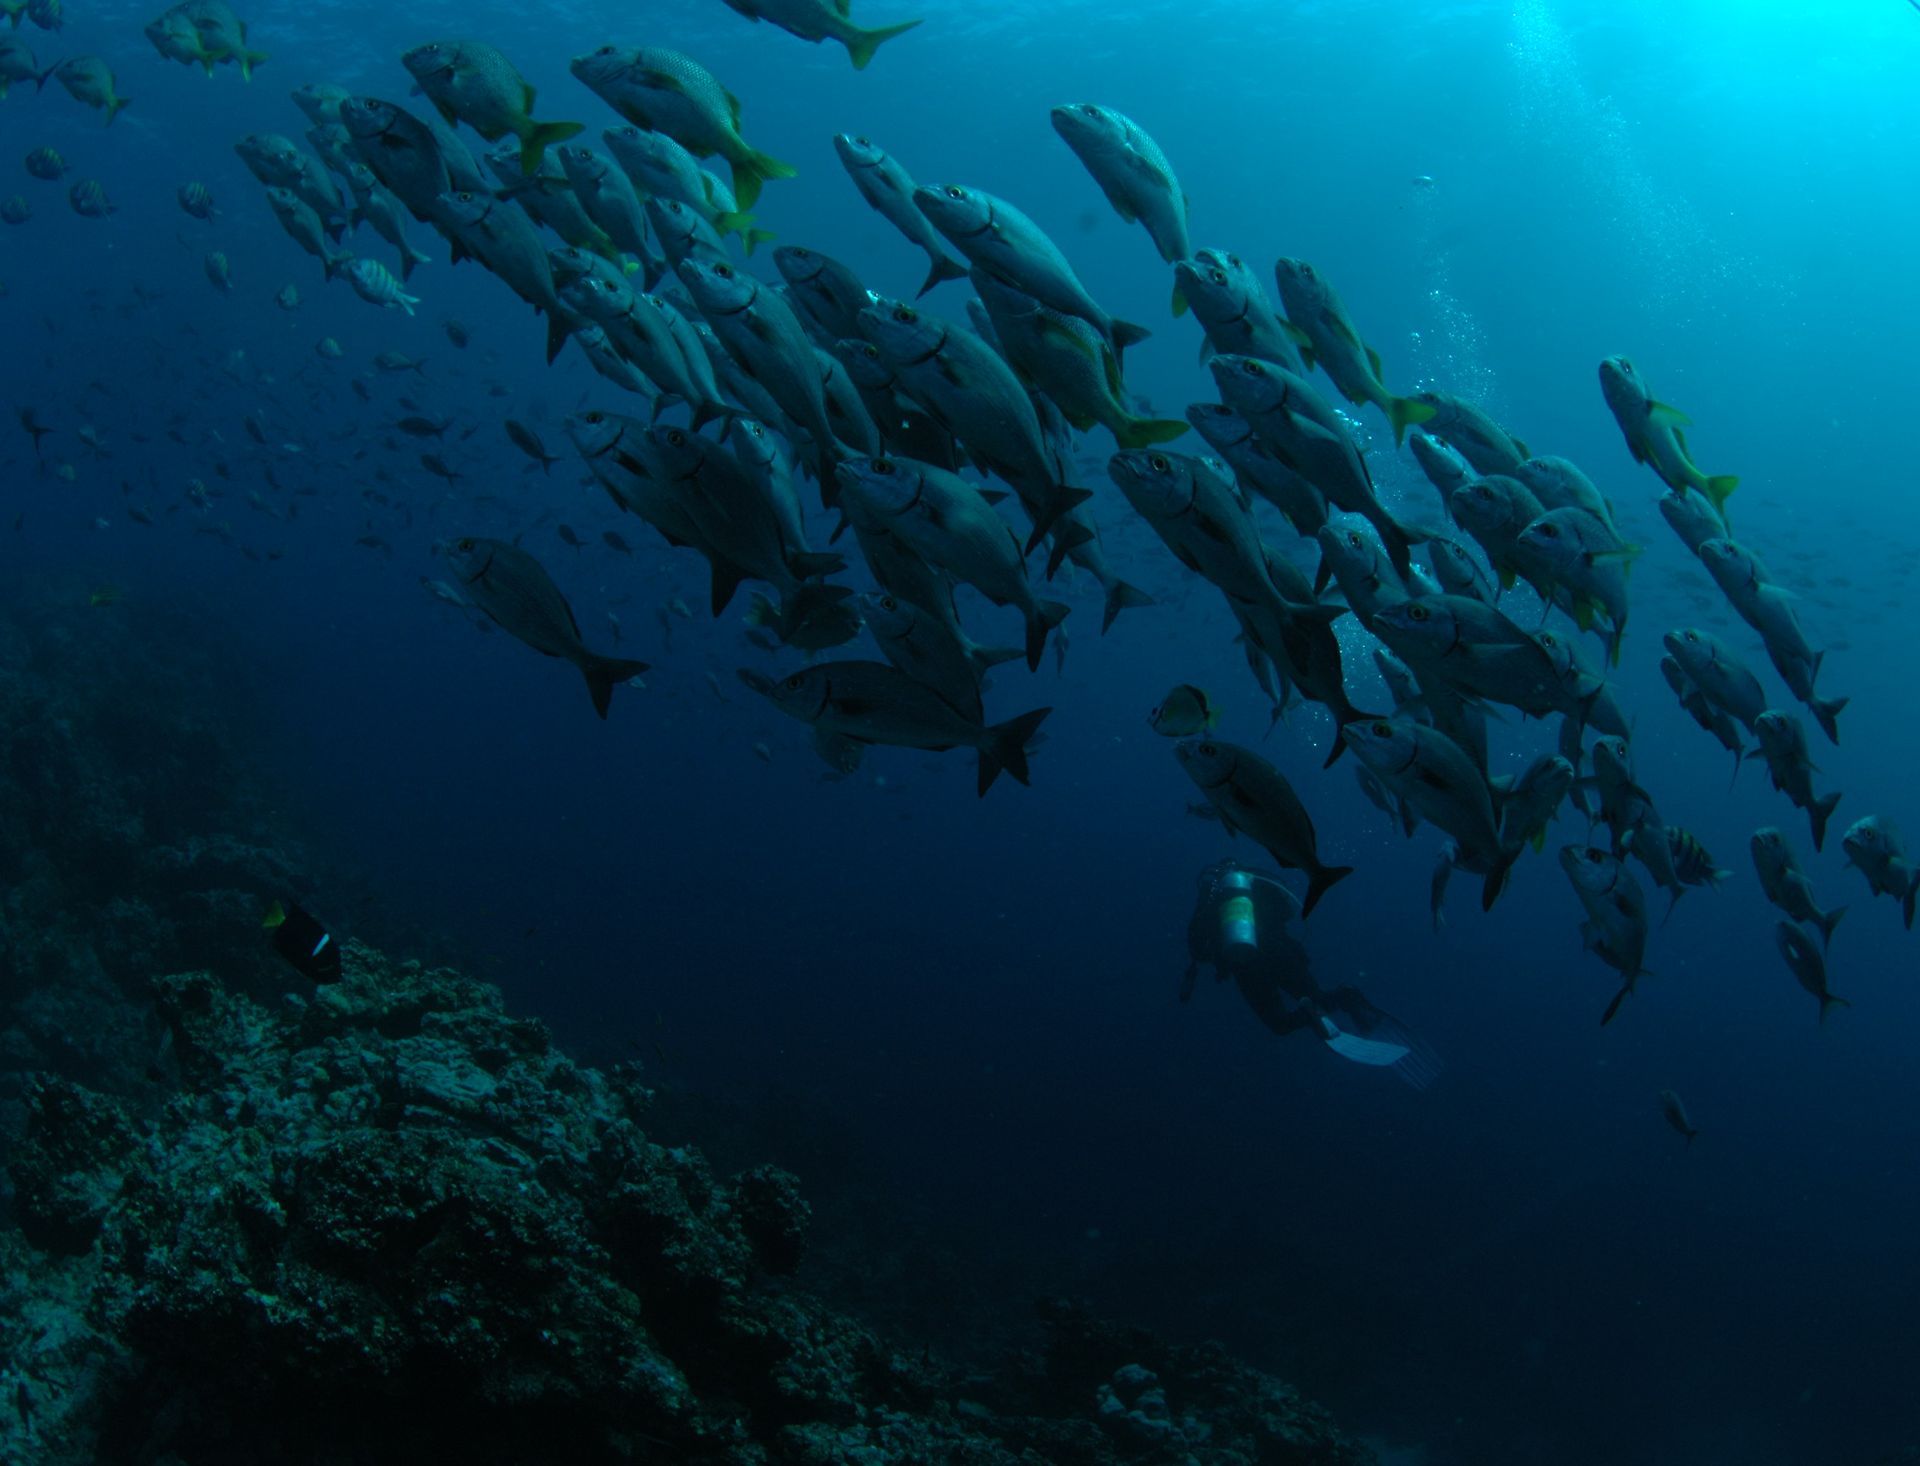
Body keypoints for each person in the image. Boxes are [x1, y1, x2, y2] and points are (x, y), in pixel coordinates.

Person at [1181, 860, 1440, 1088]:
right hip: (1283, 952)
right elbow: (1290, 911)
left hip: (1248, 966)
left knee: (1280, 1023)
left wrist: (1220, 952)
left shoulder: (1212, 893)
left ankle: (1309, 1013)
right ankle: (1342, 996)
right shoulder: (1257, 881)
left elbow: (1197, 945)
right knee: (1316, 997)